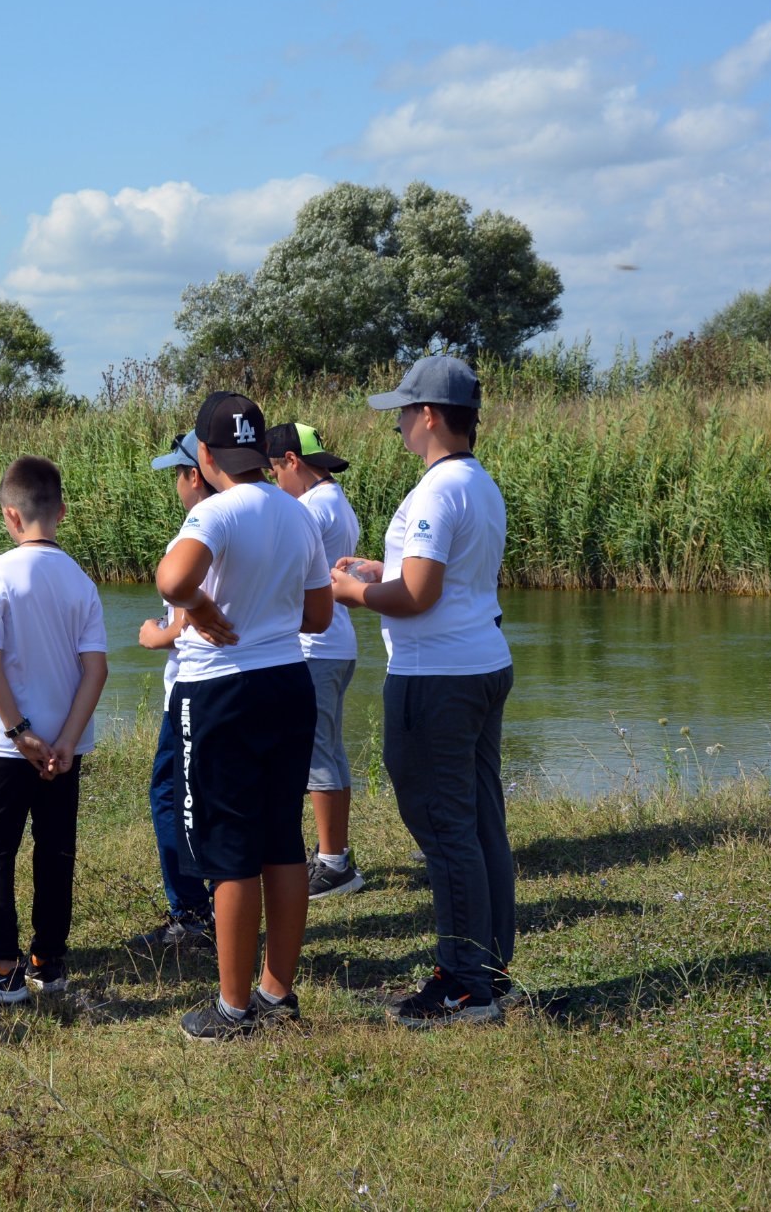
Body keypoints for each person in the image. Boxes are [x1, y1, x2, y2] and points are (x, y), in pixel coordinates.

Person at [333, 356, 520, 1028]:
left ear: (433, 415)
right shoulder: (478, 484)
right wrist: (383, 570)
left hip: (435, 678)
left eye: (406, 413)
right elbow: (446, 579)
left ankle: (464, 983)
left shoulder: (437, 491)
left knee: (444, 830)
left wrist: (350, 590)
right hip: (479, 663)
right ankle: (491, 970)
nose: (401, 425)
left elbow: (416, 596)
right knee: (479, 823)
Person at [156, 393, 333, 1040]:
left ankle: (232, 1010)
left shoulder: (215, 513)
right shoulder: (295, 513)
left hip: (221, 693)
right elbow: (318, 616)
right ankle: (276, 993)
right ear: (262, 451)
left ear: (204, 456)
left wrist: (198, 609)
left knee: (229, 850)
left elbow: (172, 578)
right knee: (281, 841)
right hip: (288, 682)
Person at [0, 458, 109, 1005]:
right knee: (55, 846)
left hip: (8, 745)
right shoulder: (81, 579)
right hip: (64, 747)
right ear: (60, 512)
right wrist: (64, 740)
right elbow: (97, 669)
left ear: (10, 516)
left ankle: (2, 967)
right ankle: (48, 960)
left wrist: (20, 733)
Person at [265, 422, 366, 899]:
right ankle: (332, 855)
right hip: (336, 640)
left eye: (274, 469)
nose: (273, 481)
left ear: (291, 461)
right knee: (328, 749)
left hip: (316, 647)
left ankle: (335, 864)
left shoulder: (307, 507)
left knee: (319, 753)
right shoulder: (336, 501)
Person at [129, 431, 216, 953]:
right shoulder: (253, 516)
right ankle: (214, 903)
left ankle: (191, 912)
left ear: (193, 475)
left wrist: (151, 634)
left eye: (177, 476)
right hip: (241, 685)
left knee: (172, 796)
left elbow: (183, 624)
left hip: (191, 691)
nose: (176, 486)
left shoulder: (194, 534)